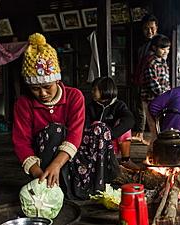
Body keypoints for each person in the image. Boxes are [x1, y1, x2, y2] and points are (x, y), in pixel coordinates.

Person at [13, 33, 120, 201]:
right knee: (54, 130)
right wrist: (38, 174)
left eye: (47, 87)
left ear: (57, 80)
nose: (42, 93)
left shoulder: (74, 96)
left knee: (100, 129)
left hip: (72, 152)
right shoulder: (23, 103)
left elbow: (75, 134)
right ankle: (56, 187)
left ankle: (95, 186)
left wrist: (57, 164)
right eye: (35, 89)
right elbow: (21, 142)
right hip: (45, 160)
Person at [85, 76, 141, 170]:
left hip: (112, 144)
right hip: (94, 147)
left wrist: (110, 134)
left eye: (95, 90)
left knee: (124, 125)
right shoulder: (90, 108)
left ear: (104, 90)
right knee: (97, 124)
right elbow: (85, 127)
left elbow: (130, 120)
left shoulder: (118, 105)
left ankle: (125, 160)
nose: (92, 92)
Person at [141, 34, 171, 158]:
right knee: (154, 129)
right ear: (154, 47)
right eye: (162, 48)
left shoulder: (163, 63)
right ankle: (151, 156)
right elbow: (153, 85)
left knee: (161, 129)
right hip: (151, 101)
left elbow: (166, 84)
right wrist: (165, 97)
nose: (165, 51)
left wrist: (170, 96)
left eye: (167, 49)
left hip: (162, 100)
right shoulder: (151, 63)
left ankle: (157, 153)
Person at [132, 14, 159, 145]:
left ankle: (155, 136)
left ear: (157, 28)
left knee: (153, 109)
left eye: (152, 28)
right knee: (140, 107)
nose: (149, 31)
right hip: (141, 80)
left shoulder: (159, 44)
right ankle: (140, 133)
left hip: (154, 82)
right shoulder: (141, 46)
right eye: (146, 29)